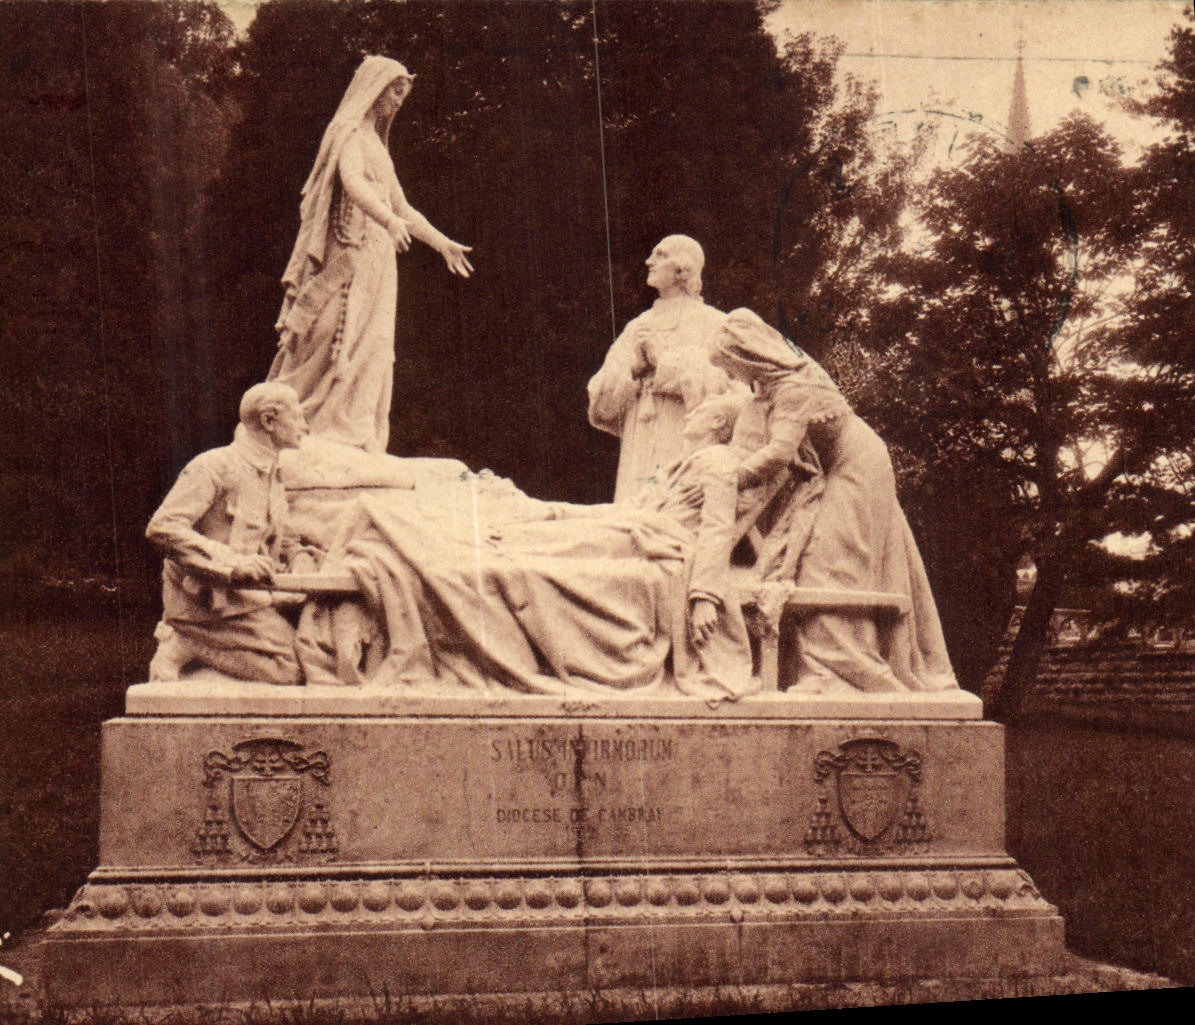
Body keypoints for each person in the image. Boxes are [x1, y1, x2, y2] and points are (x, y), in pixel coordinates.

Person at [301, 392, 755, 698]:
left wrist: (704, 598)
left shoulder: (716, 463)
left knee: (527, 544)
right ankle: (472, 530)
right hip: (629, 533)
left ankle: (470, 538)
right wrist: (547, 510)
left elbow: (714, 532)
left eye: (702, 411)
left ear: (717, 423)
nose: (690, 413)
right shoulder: (681, 464)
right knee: (532, 527)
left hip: (650, 546)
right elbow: (623, 513)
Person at [710, 308, 958, 694]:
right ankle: (824, 669)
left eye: (728, 366)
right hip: (835, 471)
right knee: (811, 555)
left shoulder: (794, 389)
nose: (730, 376)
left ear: (747, 357)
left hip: (857, 467)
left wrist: (728, 477)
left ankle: (837, 673)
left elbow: (777, 455)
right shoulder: (774, 391)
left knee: (830, 562)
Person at [269, 56, 473, 453]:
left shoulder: (379, 147)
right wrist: (387, 220)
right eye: (395, 89)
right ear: (375, 86)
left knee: (376, 345)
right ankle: (299, 421)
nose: (399, 100)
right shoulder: (349, 135)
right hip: (348, 253)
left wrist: (440, 242)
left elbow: (405, 208)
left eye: (404, 93)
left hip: (379, 262)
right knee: (326, 332)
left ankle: (355, 431)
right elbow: (354, 182)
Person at [146, 382, 312, 685]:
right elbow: (163, 528)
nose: (306, 426)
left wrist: (299, 558)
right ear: (268, 421)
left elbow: (285, 537)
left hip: (247, 600)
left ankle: (196, 644)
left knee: (314, 653)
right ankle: (186, 642)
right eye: (299, 417)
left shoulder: (273, 474)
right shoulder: (214, 466)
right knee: (291, 669)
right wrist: (231, 564)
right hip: (204, 606)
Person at [587, 235, 731, 501]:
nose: (649, 261)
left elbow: (728, 391)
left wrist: (663, 362)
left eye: (660, 255)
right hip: (637, 451)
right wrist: (633, 370)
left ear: (682, 268)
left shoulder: (715, 324)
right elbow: (603, 409)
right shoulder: (637, 326)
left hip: (683, 446)